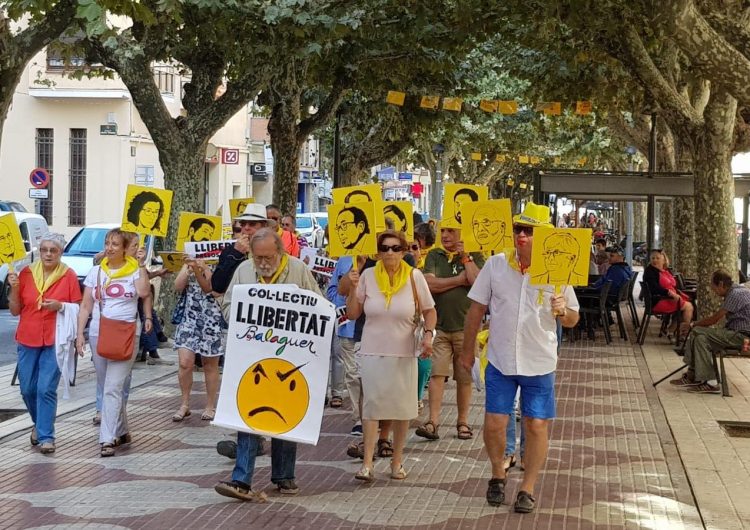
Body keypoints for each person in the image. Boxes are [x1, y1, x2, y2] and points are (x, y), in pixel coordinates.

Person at [460, 202, 580, 513]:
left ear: (543, 236)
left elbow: (573, 319)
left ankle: (528, 486)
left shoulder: (558, 269)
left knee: (536, 424)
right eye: (518, 229)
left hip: (539, 362)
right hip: (500, 359)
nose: (522, 236)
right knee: (495, 422)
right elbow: (476, 310)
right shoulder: (496, 265)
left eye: (529, 231)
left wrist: (563, 311)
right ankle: (498, 474)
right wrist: (466, 350)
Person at [214, 228, 321, 500]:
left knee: (284, 412)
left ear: (280, 252)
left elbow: (318, 306)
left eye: (267, 257)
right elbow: (227, 306)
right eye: (257, 257)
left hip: (288, 357)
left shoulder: (297, 271)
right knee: (248, 414)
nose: (262, 263)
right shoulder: (243, 271)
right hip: (252, 357)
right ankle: (241, 479)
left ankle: (284, 475)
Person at [345, 230, 437, 481]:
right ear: (378, 252)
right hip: (373, 350)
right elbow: (353, 314)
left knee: (401, 409)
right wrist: (353, 289)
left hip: (404, 351)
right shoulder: (367, 275)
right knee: (372, 407)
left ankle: (397, 462)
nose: (390, 253)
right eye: (385, 248)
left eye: (396, 248)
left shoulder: (414, 277)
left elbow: (430, 311)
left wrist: (428, 336)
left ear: (404, 251)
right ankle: (367, 463)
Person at [76, 229, 151, 457]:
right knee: (106, 384)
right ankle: (122, 429)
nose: (109, 248)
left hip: (127, 332)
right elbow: (86, 305)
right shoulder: (96, 272)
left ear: (125, 247)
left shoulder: (135, 272)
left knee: (113, 386)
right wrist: (80, 333)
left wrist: (140, 265)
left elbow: (143, 291)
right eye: (107, 243)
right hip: (100, 333)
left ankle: (107, 438)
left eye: (115, 244)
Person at [8, 233, 82, 454]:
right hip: (27, 337)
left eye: (54, 250)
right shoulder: (26, 273)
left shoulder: (68, 275)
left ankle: (47, 436)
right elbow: (14, 310)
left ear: (60, 253)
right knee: (28, 389)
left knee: (45, 388)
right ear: (39, 251)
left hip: (55, 339)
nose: (48, 254)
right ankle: (39, 425)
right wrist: (13, 288)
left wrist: (60, 306)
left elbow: (78, 308)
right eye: (44, 250)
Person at [415, 226, 484, 441]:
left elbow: (477, 282)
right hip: (440, 327)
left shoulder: (476, 255)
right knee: (437, 374)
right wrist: (457, 281)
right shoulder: (435, 255)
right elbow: (428, 285)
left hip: (467, 328)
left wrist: (466, 258)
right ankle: (432, 421)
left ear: (462, 233)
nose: (445, 236)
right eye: (443, 231)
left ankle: (462, 422)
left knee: (464, 378)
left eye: (451, 231)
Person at [211, 205, 269, 460]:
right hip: (240, 330)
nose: (246, 228)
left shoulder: (275, 252)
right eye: (243, 224)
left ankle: (260, 437)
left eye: (253, 225)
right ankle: (246, 439)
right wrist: (235, 254)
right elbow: (217, 284)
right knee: (243, 384)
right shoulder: (231, 252)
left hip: (271, 333)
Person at [670, 270, 750, 394]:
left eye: (714, 287)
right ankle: (708, 381)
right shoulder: (736, 291)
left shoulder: (735, 294)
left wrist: (693, 324)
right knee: (701, 339)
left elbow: (715, 319)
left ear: (721, 284)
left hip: (742, 336)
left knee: (697, 330)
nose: (713, 291)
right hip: (733, 333)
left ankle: (694, 374)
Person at [172, 256, 224, 422]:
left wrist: (204, 269)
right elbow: (178, 287)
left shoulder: (220, 264)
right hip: (189, 319)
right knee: (185, 363)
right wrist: (187, 269)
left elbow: (211, 288)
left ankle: (210, 405)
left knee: (210, 365)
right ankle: (184, 403)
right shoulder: (190, 263)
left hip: (211, 319)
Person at [643, 249, 694, 346]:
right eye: (653, 258)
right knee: (688, 307)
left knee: (684, 306)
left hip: (668, 298)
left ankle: (671, 331)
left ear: (664, 260)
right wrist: (669, 293)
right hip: (659, 300)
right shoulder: (650, 272)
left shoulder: (664, 271)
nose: (655, 260)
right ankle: (683, 334)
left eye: (658, 258)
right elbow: (654, 288)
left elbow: (674, 285)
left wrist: (678, 294)